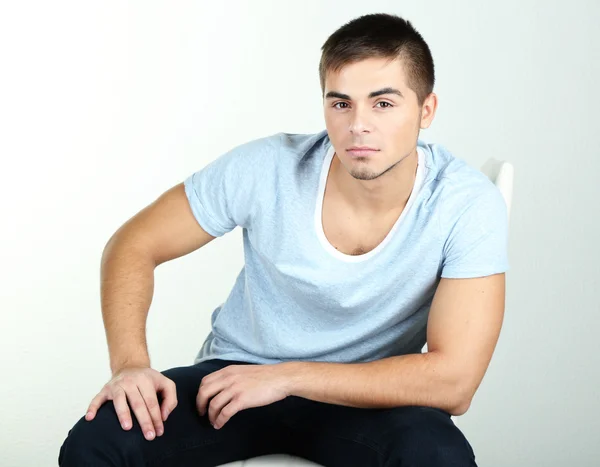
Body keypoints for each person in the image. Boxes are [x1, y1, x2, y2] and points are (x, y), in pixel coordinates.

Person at [59, 12, 508, 467]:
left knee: (437, 456)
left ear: (425, 110)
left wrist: (288, 377)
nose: (358, 125)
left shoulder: (464, 203)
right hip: (236, 381)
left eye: (383, 104)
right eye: (341, 104)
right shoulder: (268, 167)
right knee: (98, 440)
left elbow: (455, 383)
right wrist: (130, 364)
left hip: (370, 398)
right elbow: (133, 243)